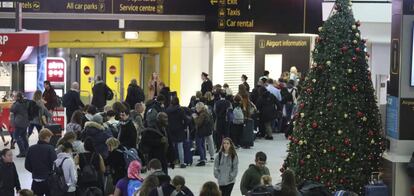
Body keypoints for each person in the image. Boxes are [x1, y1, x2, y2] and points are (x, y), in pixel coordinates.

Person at [25, 129, 57, 196]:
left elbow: (27, 165)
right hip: (48, 180)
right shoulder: (50, 148)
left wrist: (35, 171)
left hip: (35, 180)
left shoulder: (31, 148)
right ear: (47, 137)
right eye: (50, 137)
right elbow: (54, 164)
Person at [165, 97, 187, 168]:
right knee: (180, 146)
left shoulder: (167, 110)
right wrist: (184, 127)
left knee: (172, 146)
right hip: (179, 129)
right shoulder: (180, 110)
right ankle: (182, 162)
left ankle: (172, 161)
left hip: (170, 129)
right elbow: (185, 119)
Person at [193, 102, 215, 166]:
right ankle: (204, 157)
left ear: (200, 108)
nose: (196, 109)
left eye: (196, 107)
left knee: (199, 145)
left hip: (201, 132)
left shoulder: (202, 114)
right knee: (203, 145)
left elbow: (198, 123)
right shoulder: (207, 112)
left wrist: (195, 117)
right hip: (206, 131)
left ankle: (202, 159)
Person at [10, 92, 30, 157]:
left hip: (19, 123)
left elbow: (12, 109)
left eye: (15, 96)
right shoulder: (26, 103)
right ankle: (27, 151)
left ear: (18, 97)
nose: (14, 97)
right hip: (26, 122)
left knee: (16, 136)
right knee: (24, 137)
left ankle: (22, 151)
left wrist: (13, 103)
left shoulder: (17, 104)